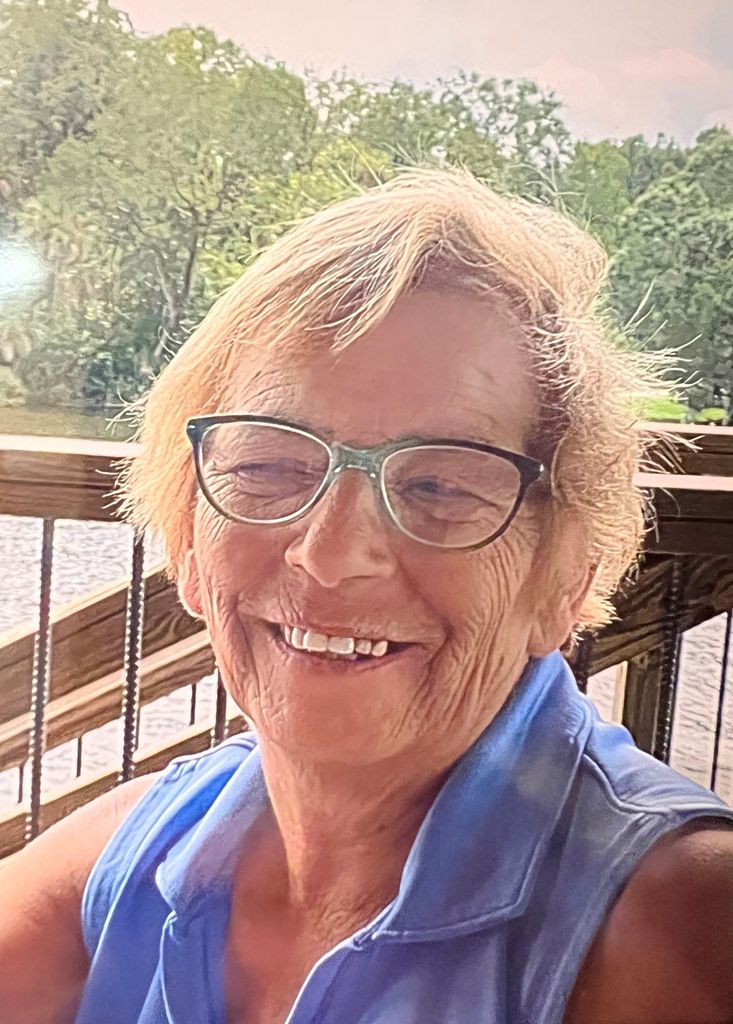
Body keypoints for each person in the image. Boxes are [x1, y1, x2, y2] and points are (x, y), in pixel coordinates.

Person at [2, 169, 732, 1024]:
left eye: (439, 486)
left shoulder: (680, 923)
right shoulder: (134, 858)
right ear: (189, 543)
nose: (329, 554)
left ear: (565, 576)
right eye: (270, 465)